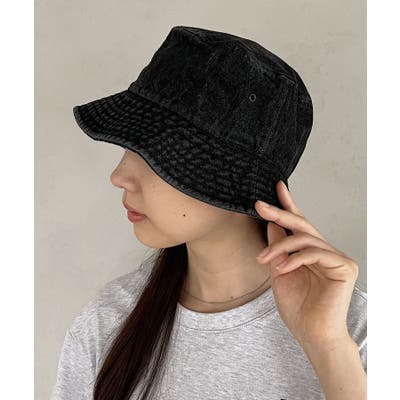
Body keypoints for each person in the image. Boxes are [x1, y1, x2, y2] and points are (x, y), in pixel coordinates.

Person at [51, 26, 367, 400]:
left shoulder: (351, 328)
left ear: (230, 177)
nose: (119, 176)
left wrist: (329, 347)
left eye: (154, 154)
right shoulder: (107, 324)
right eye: (128, 149)